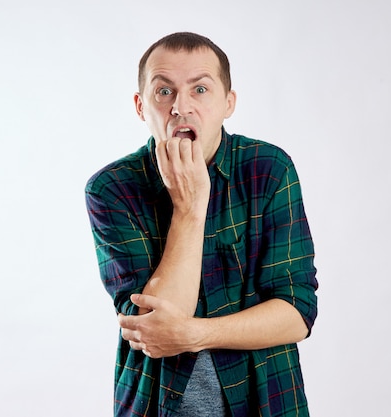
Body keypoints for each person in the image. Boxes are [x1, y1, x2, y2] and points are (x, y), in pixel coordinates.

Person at [85, 32, 318, 417]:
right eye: (164, 92)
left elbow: (296, 313)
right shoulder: (112, 189)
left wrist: (194, 334)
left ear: (229, 103)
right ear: (141, 106)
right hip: (156, 404)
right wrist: (190, 208)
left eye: (200, 89)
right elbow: (152, 329)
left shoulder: (268, 170)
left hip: (267, 402)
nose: (180, 107)